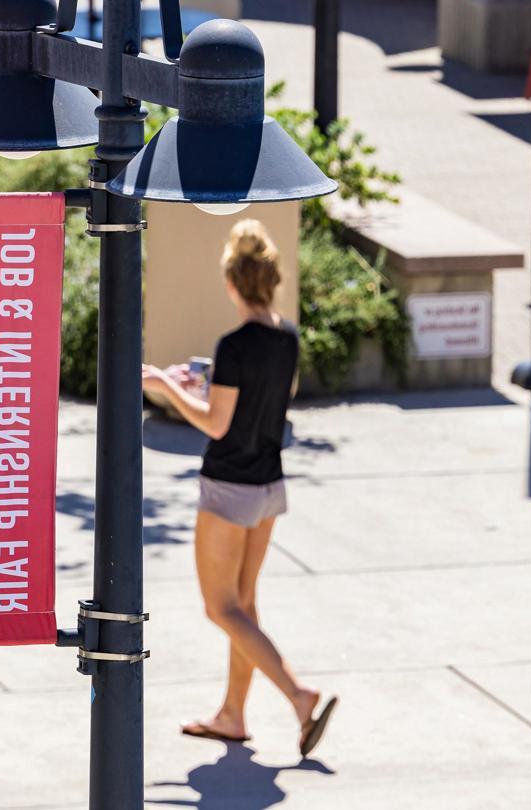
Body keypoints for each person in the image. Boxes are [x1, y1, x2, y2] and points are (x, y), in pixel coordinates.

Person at [142, 219, 338, 757]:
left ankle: (299, 694)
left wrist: (163, 386)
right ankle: (232, 715)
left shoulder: (234, 343)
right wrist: (203, 384)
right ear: (270, 280)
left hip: (229, 487)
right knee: (245, 604)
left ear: (232, 282)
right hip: (270, 486)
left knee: (220, 607)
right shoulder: (287, 335)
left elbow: (216, 425)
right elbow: (260, 398)